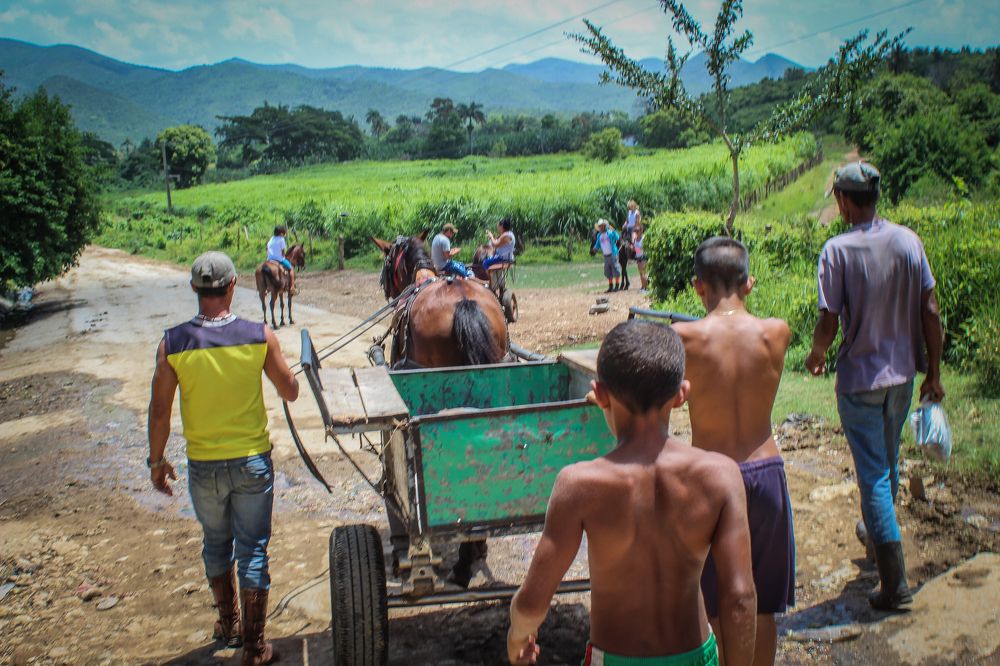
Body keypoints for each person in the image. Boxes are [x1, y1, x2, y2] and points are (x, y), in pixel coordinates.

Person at [508, 320, 756, 666]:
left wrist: (517, 638)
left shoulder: (579, 485)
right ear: (682, 394)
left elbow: (532, 603)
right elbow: (740, 598)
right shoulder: (720, 476)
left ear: (600, 394)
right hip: (695, 656)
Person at [805, 161, 944, 612]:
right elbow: (931, 311)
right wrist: (934, 373)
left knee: (874, 475)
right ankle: (875, 531)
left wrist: (817, 355)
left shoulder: (837, 251)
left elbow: (828, 322)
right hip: (902, 377)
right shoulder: (908, 241)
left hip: (860, 381)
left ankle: (894, 584)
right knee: (887, 458)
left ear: (843, 201)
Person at [147, 251, 299, 665]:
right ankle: (254, 647)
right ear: (233, 285)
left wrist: (157, 462)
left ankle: (229, 625)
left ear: (194, 288)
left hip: (203, 467)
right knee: (253, 549)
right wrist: (286, 374)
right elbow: (290, 391)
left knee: (215, 542)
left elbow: (159, 411)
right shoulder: (259, 335)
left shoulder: (172, 343)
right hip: (252, 463)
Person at [672, 237, 794, 666]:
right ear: (749, 284)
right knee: (762, 603)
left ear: (698, 286)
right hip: (766, 471)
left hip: (711, 477)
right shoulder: (776, 333)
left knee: (718, 600)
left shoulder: (683, 338)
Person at [590, 218, 621, 292]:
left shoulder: (609, 233)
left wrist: (614, 231)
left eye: (602, 225)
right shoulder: (599, 235)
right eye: (599, 226)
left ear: (604, 226)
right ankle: (610, 286)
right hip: (606, 255)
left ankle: (617, 286)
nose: (600, 227)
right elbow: (597, 244)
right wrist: (594, 249)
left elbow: (617, 237)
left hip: (613, 254)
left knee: (615, 269)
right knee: (608, 271)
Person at [266, 225, 296, 295]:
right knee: (291, 268)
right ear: (281, 233)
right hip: (279, 259)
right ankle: (292, 287)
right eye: (283, 232)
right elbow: (282, 252)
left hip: (269, 259)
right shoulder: (281, 239)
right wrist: (284, 256)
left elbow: (267, 249)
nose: (284, 234)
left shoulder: (271, 238)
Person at [633, 223, 649, 294]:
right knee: (641, 273)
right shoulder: (636, 239)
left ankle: (647, 288)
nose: (636, 232)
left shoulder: (644, 238)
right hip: (638, 257)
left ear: (641, 230)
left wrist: (637, 249)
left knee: (643, 273)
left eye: (637, 230)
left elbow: (645, 248)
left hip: (643, 257)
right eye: (635, 231)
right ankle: (643, 287)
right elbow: (636, 250)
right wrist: (632, 248)